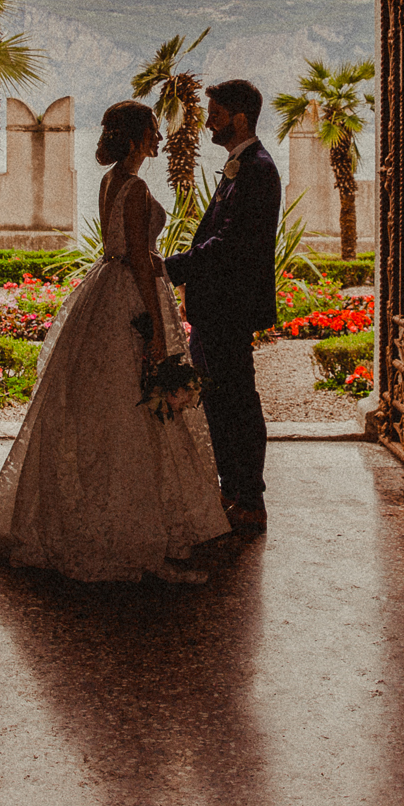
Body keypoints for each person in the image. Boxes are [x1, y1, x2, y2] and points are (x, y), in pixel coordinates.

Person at [0, 101, 231, 583]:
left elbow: (120, 248)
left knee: (99, 407)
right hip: (131, 297)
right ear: (138, 135)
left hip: (105, 290)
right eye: (152, 131)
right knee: (135, 407)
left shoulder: (110, 180)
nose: (159, 139)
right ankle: (138, 536)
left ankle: (94, 519)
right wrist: (162, 333)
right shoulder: (138, 187)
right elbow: (143, 263)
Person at [163, 79, 279, 537]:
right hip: (217, 308)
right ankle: (232, 489)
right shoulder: (242, 164)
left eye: (215, 113)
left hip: (231, 308)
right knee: (221, 401)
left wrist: (172, 268)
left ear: (239, 118)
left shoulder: (257, 168)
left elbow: (230, 244)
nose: (208, 121)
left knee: (238, 403)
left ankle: (249, 498)